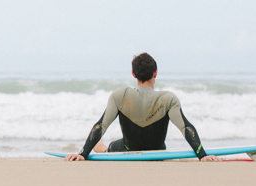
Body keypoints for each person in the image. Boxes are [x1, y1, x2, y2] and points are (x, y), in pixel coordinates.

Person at [65, 53, 218, 161]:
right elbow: (186, 128)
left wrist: (83, 154)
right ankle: (104, 149)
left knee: (115, 145)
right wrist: (202, 155)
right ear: (155, 73)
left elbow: (101, 125)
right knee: (127, 143)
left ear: (133, 74)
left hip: (128, 149)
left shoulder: (120, 96)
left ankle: (104, 149)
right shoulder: (168, 99)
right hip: (158, 151)